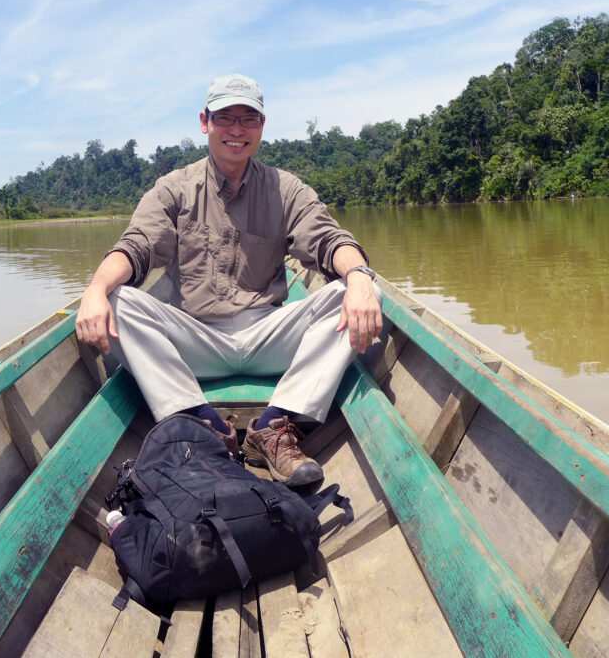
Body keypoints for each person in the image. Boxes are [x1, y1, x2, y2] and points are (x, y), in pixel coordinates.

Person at [76, 74, 382, 486]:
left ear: (261, 126)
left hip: (269, 336)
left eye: (248, 119)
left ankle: (274, 428)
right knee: (114, 300)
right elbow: (136, 247)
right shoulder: (174, 189)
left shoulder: (284, 188)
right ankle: (202, 427)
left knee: (359, 287)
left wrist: (360, 276)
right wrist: (96, 289)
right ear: (205, 122)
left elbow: (330, 239)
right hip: (193, 340)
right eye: (225, 117)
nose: (236, 129)